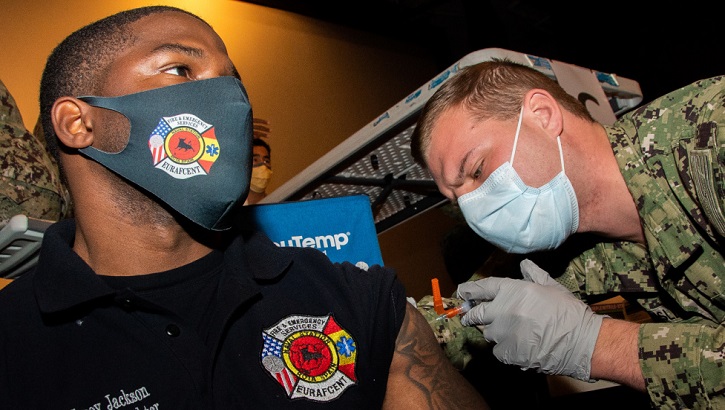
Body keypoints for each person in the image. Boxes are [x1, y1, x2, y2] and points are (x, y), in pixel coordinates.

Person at [0, 6, 488, 409]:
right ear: (78, 124)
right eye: (180, 69)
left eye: (235, 83)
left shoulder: (359, 301)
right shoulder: (14, 345)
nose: (232, 101)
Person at [410, 59, 725, 408]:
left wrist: (599, 346)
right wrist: (372, 319)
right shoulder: (565, 242)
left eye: (477, 170)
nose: (473, 210)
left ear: (543, 115)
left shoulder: (711, 137)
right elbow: (460, 315)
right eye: (458, 201)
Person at [245, 137, 273, 205]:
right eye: (255, 160)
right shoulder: (232, 208)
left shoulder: (275, 205)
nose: (263, 166)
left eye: (266, 161)